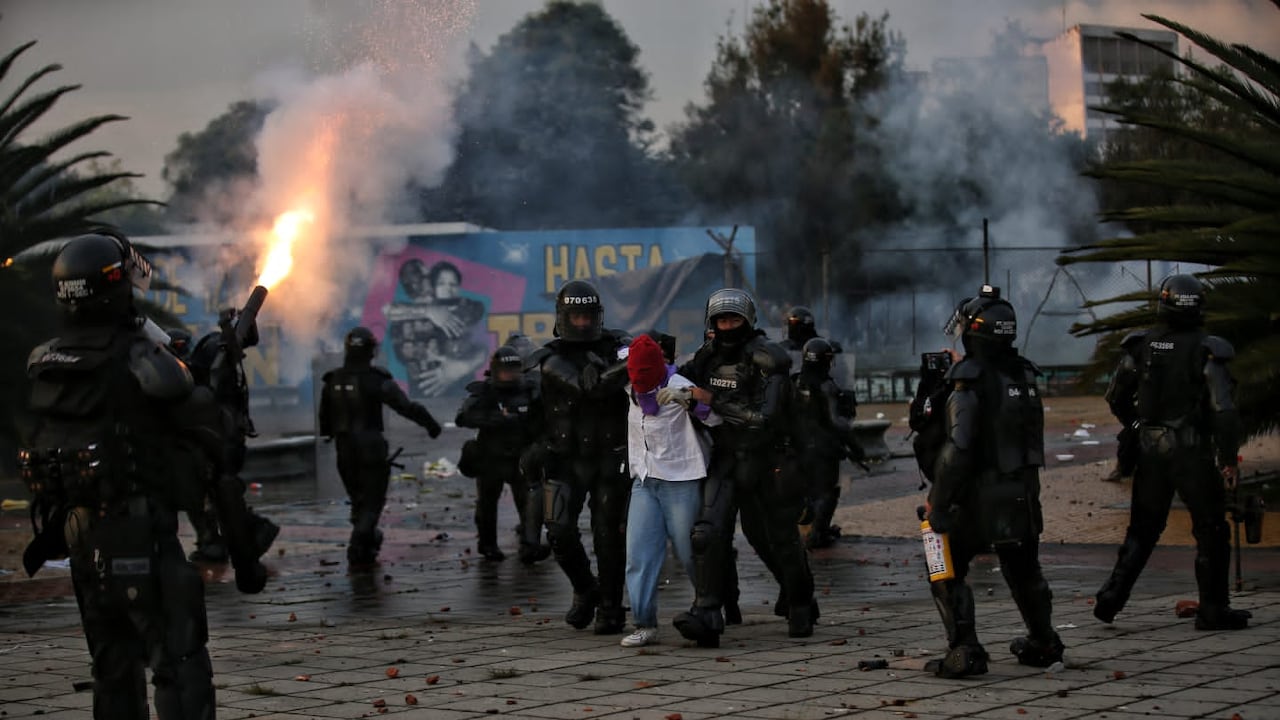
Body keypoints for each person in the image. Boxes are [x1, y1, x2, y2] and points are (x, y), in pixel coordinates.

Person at [18, 231, 267, 719]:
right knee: (179, 662)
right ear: (115, 287)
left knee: (111, 669)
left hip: (80, 539)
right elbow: (202, 422)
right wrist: (221, 366)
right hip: (139, 538)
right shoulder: (140, 360)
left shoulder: (47, 359)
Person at [1093, 275, 1250, 630]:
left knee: (1141, 531)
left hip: (1151, 450)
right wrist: (1228, 459)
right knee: (1210, 530)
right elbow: (1223, 410)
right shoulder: (1207, 350)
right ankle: (1214, 610)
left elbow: (1116, 396)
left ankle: (1109, 600)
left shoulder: (1142, 345)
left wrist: (1137, 428)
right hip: (1191, 452)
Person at [923, 284, 1063, 678]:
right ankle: (1044, 641)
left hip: (977, 496)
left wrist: (938, 499)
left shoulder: (968, 381)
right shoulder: (1024, 374)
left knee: (944, 562)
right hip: (1021, 491)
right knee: (1024, 570)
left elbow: (958, 448)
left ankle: (965, 649)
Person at [666, 288, 817, 647]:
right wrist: (648, 370)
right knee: (706, 533)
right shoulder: (707, 355)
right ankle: (706, 611)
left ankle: (800, 601)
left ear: (748, 320)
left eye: (734, 319)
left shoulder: (768, 359)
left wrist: (711, 399)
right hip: (726, 456)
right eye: (721, 319)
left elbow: (764, 419)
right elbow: (679, 378)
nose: (727, 325)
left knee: (776, 539)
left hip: (769, 460)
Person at [528, 280, 631, 634]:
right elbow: (589, 388)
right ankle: (586, 589)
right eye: (576, 316)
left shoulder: (618, 345)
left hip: (610, 456)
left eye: (588, 315)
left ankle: (612, 607)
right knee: (558, 531)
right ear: (563, 316)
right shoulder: (551, 360)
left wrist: (641, 354)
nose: (583, 323)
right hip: (564, 457)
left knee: (608, 535)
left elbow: (644, 364)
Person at [621, 333, 720, 647]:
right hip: (644, 480)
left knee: (691, 552)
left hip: (680, 480)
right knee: (639, 555)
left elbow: (716, 417)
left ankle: (709, 610)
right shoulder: (627, 382)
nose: (643, 387)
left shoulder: (678, 382)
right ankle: (644, 623)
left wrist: (689, 400)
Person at [318, 326, 443, 566]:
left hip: (344, 450)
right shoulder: (376, 379)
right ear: (370, 351)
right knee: (372, 502)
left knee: (358, 501)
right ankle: (358, 545)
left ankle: (366, 546)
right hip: (371, 448)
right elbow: (404, 406)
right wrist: (430, 425)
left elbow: (325, 419)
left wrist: (330, 436)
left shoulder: (332, 380)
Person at [183, 315, 280, 565]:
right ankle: (232, 538)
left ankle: (233, 538)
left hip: (222, 445)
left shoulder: (212, 367)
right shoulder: (210, 367)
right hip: (224, 443)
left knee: (216, 494)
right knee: (218, 495)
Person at [455, 344, 544, 561]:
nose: (508, 375)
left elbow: (547, 419)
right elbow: (462, 417)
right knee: (486, 506)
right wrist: (496, 419)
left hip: (520, 459)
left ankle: (529, 545)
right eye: (504, 371)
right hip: (490, 459)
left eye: (513, 370)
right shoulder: (485, 391)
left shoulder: (531, 390)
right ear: (494, 370)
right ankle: (487, 545)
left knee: (529, 505)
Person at [788, 337, 861, 549]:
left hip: (798, 447)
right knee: (826, 492)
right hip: (823, 449)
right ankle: (817, 534)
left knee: (806, 492)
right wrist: (856, 446)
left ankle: (806, 531)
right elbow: (837, 422)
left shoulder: (794, 382)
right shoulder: (826, 386)